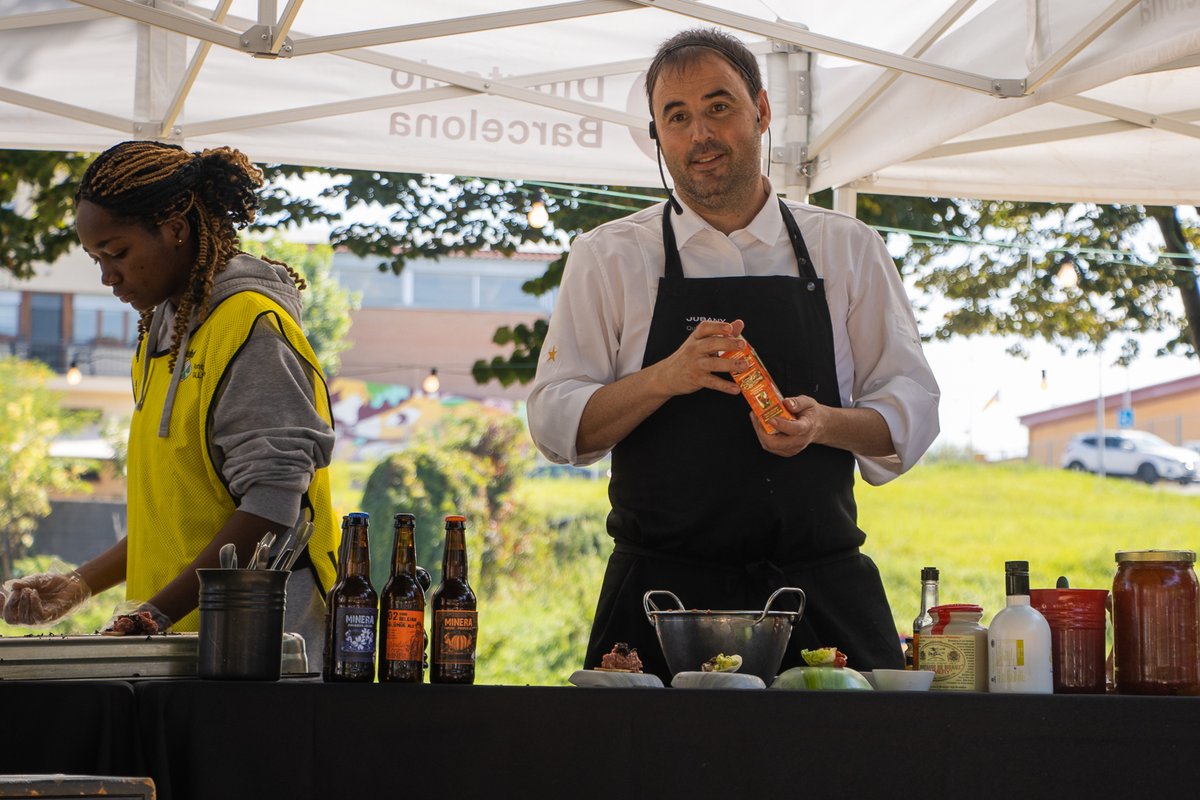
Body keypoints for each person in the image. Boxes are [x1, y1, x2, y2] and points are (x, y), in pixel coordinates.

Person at [526, 28, 940, 681]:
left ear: (763, 111)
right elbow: (556, 425)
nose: (700, 135)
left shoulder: (847, 248)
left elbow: (912, 412)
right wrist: (666, 377)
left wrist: (822, 425)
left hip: (818, 592)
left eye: (719, 107)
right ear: (657, 135)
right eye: (678, 116)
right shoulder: (609, 256)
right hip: (661, 602)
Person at [0, 141, 339, 665]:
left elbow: (271, 508)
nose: (107, 277)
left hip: (260, 658)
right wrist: (78, 584)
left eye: (118, 253)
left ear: (175, 229)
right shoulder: (163, 332)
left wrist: (152, 615)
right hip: (180, 651)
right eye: (96, 259)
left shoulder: (253, 330)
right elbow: (178, 516)